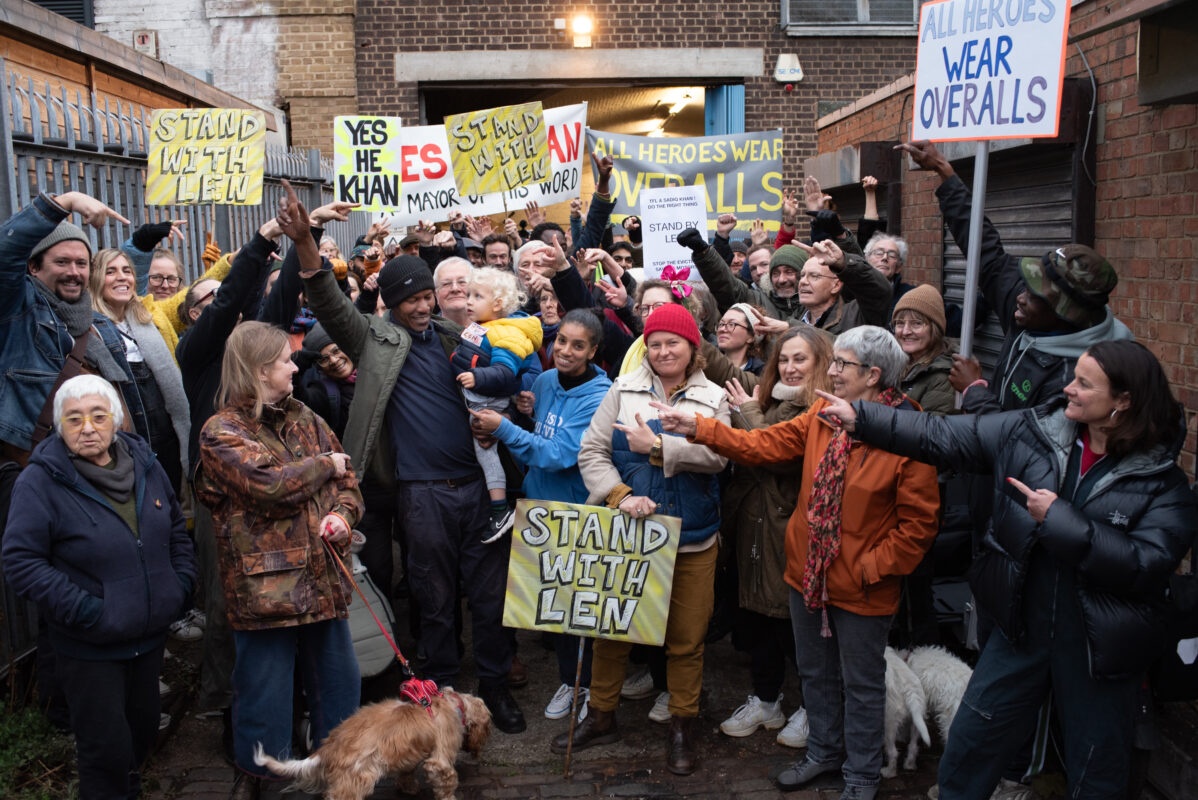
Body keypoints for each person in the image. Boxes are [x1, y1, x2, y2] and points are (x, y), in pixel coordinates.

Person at [817, 339, 1197, 800]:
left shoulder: (1162, 483)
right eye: (1073, 377)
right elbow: (946, 435)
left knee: (1097, 769)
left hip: (1099, 648)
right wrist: (865, 418)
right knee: (970, 745)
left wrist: (1060, 522)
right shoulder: (1035, 431)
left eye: (1084, 384)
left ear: (1123, 401)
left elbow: (1145, 565)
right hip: (1021, 629)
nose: (1068, 388)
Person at [655, 325, 940, 800]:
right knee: (815, 674)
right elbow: (763, 444)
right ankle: (824, 755)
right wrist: (699, 428)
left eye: (841, 364)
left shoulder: (908, 432)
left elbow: (918, 527)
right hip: (807, 574)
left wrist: (868, 569)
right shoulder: (824, 413)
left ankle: (862, 774)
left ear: (872, 375)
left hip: (864, 587)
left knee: (862, 685)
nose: (832, 371)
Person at [302, 246, 527, 733]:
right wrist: (306, 244)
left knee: (490, 597)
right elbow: (330, 307)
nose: (424, 306)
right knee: (433, 597)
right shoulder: (376, 342)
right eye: (413, 300)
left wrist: (508, 412)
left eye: (429, 296)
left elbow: (502, 372)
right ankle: (441, 690)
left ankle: (494, 686)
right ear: (392, 302)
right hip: (422, 495)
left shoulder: (454, 337)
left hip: (479, 489)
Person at [3, 374, 196, 800]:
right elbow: (21, 561)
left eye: (98, 416)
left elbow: (175, 530)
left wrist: (178, 585)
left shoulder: (145, 464)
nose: (87, 428)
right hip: (90, 647)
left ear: (117, 420)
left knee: (141, 736)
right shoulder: (40, 481)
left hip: (148, 637)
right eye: (74, 419)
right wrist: (88, 610)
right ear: (60, 426)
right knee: (104, 753)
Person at [557, 304, 730, 776]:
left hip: (692, 539)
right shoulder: (623, 388)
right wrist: (619, 495)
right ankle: (602, 716)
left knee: (686, 640)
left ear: (692, 347)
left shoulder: (713, 396)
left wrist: (656, 446)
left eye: (673, 343)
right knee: (612, 631)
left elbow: (718, 457)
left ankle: (682, 725)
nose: (663, 351)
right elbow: (592, 451)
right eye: (654, 344)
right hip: (630, 535)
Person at [197, 319, 363, 800]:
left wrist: (342, 516)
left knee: (339, 687)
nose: (295, 367)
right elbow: (269, 488)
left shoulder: (305, 417)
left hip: (324, 579)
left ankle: (341, 775)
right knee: (264, 696)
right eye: (286, 360)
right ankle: (266, 782)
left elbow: (348, 481)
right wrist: (324, 465)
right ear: (259, 369)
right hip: (266, 593)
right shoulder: (221, 432)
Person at [469, 308, 613, 724]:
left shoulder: (601, 395)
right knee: (554, 607)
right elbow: (540, 431)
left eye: (578, 345)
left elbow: (558, 453)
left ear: (593, 351)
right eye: (561, 340)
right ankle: (571, 680)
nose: (565, 350)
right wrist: (523, 414)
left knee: (583, 610)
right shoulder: (546, 381)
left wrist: (503, 428)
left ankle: (593, 688)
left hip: (577, 513)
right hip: (539, 511)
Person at [700, 326, 834, 748]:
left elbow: (776, 455)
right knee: (756, 618)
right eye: (784, 360)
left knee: (791, 625)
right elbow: (722, 367)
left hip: (788, 531)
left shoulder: (822, 408)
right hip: (752, 526)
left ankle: (814, 708)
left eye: (801, 359)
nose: (790, 368)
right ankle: (766, 700)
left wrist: (745, 412)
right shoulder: (769, 397)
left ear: (822, 364)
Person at [451, 268, 543, 540]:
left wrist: (476, 376)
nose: (468, 301)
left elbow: (505, 372)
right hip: (477, 396)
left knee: (486, 454)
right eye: (469, 295)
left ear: (498, 304)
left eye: (477, 296)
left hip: (487, 403)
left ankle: (500, 509)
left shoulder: (509, 333)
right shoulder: (484, 326)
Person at [89, 248, 190, 493]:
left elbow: (194, 296)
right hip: (127, 444)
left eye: (127, 271)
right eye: (110, 271)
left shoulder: (148, 319)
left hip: (167, 441)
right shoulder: (90, 330)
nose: (122, 277)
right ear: (96, 279)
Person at [679, 230, 891, 335]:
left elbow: (877, 290)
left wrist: (844, 262)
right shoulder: (767, 306)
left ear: (836, 284)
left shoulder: (856, 315)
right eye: (776, 273)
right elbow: (729, 289)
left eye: (791, 272)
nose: (783, 280)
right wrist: (704, 253)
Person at [890, 284, 955, 416]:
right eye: (900, 323)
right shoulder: (896, 364)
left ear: (935, 329)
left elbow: (931, 427)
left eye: (917, 323)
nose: (906, 331)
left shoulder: (943, 378)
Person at [715, 302, 767, 375]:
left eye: (732, 324)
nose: (722, 329)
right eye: (721, 324)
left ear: (751, 337)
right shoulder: (708, 364)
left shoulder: (762, 374)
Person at [433, 256, 472, 328]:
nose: (455, 288)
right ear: (436, 294)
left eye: (462, 282)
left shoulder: (492, 327)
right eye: (446, 284)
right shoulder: (426, 332)